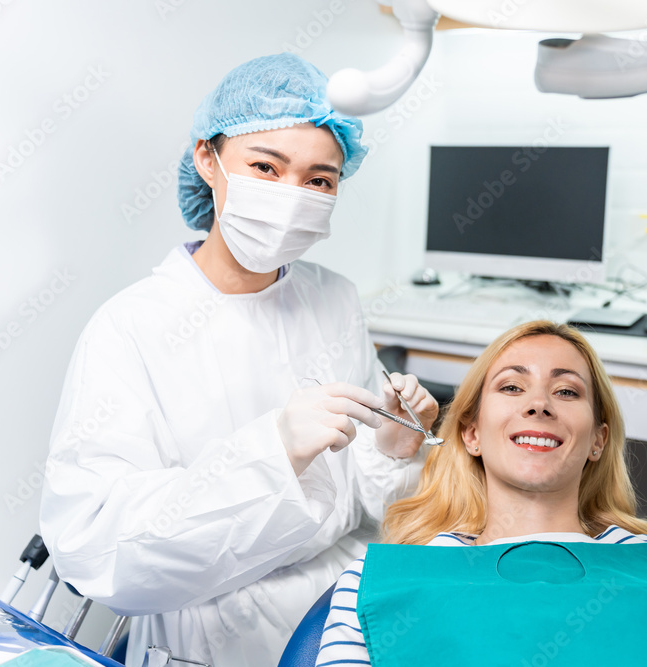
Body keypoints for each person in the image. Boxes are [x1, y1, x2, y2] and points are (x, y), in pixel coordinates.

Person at [40, 53, 437, 666]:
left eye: (318, 180)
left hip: (340, 623)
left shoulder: (333, 298)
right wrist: (272, 450)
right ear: (208, 159)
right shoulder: (131, 326)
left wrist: (389, 450)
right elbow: (98, 550)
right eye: (265, 167)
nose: (291, 196)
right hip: (210, 639)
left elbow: (356, 499)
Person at [317, 321, 647, 666]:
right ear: (471, 433)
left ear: (598, 440)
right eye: (512, 386)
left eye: (566, 392)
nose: (538, 403)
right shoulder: (379, 583)